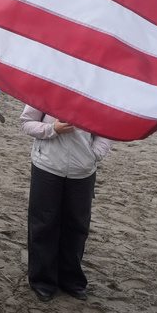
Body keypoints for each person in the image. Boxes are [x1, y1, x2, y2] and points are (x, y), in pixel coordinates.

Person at [19, 106, 112, 302]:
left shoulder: (96, 95)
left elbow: (105, 129)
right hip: (47, 166)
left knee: (77, 226)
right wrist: (53, 128)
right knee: (43, 224)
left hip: (82, 170)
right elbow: (26, 122)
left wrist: (94, 154)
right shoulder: (47, 87)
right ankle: (42, 279)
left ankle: (71, 279)